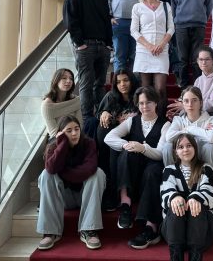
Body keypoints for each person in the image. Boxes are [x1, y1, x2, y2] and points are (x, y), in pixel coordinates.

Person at [104, 86, 170, 250]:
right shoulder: (132, 121)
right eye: (141, 103)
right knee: (127, 154)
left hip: (152, 168)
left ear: (156, 103)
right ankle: (125, 206)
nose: (144, 106)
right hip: (133, 171)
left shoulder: (165, 124)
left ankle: (150, 227)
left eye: (148, 102)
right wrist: (126, 145)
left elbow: (160, 153)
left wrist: (142, 148)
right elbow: (109, 137)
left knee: (152, 172)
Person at [36, 115, 106, 251]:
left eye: (77, 129)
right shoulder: (53, 146)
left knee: (98, 173)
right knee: (46, 174)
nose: (74, 133)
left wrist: (63, 171)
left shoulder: (89, 143)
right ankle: (50, 232)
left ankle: (88, 230)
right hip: (64, 198)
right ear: (61, 133)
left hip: (84, 196)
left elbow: (90, 168)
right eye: (69, 130)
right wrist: (62, 144)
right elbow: (51, 169)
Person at [62, 0, 112, 122]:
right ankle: (87, 118)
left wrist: (109, 44)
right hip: (85, 46)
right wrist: (79, 43)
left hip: (102, 46)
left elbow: (106, 22)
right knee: (86, 83)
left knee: (100, 84)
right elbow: (70, 20)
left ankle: (102, 116)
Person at [87, 69, 140, 211]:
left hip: (133, 135)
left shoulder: (139, 95)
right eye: (118, 82)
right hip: (113, 139)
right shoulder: (111, 96)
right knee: (103, 128)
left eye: (126, 80)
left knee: (112, 143)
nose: (122, 84)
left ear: (132, 81)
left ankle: (114, 192)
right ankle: (109, 187)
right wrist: (104, 113)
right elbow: (99, 113)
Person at [160, 133, 213, 261]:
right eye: (180, 147)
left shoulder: (206, 168)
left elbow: (210, 195)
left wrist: (195, 198)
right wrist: (175, 197)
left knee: (196, 204)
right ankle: (176, 256)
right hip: (174, 233)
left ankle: (195, 256)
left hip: (202, 233)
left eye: (189, 146)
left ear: (195, 148)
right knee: (176, 204)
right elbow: (165, 193)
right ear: (175, 152)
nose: (185, 149)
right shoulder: (169, 170)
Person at [163, 86, 213, 208]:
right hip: (183, 156)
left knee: (210, 148)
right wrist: (201, 132)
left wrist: (189, 129)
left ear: (201, 102)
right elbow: (169, 137)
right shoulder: (178, 120)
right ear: (182, 103)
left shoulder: (210, 119)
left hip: (201, 156)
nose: (190, 104)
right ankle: (172, 185)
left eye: (194, 100)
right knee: (167, 147)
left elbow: (210, 137)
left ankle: (211, 190)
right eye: (186, 101)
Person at [131, 0, 174, 112]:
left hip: (162, 50)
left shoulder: (166, 6)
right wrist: (149, 46)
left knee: (160, 88)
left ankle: (161, 118)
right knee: (145, 88)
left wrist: (162, 44)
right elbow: (134, 31)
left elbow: (171, 28)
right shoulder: (137, 7)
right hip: (144, 51)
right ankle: (146, 117)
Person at [171, 0, 212, 88]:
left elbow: (209, 5)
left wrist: (202, 19)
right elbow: (173, 5)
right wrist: (177, 20)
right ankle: (183, 86)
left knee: (197, 57)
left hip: (199, 25)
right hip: (181, 26)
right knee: (182, 57)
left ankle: (197, 86)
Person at [167, 46, 213, 133]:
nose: (203, 62)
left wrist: (184, 107)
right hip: (197, 115)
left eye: (207, 59)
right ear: (197, 61)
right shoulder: (198, 80)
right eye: (201, 59)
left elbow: (211, 106)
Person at [41, 68, 82, 138]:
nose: (68, 81)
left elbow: (79, 125)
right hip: (58, 139)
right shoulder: (47, 106)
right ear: (56, 81)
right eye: (64, 78)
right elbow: (54, 132)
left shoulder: (76, 100)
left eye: (71, 79)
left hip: (77, 136)